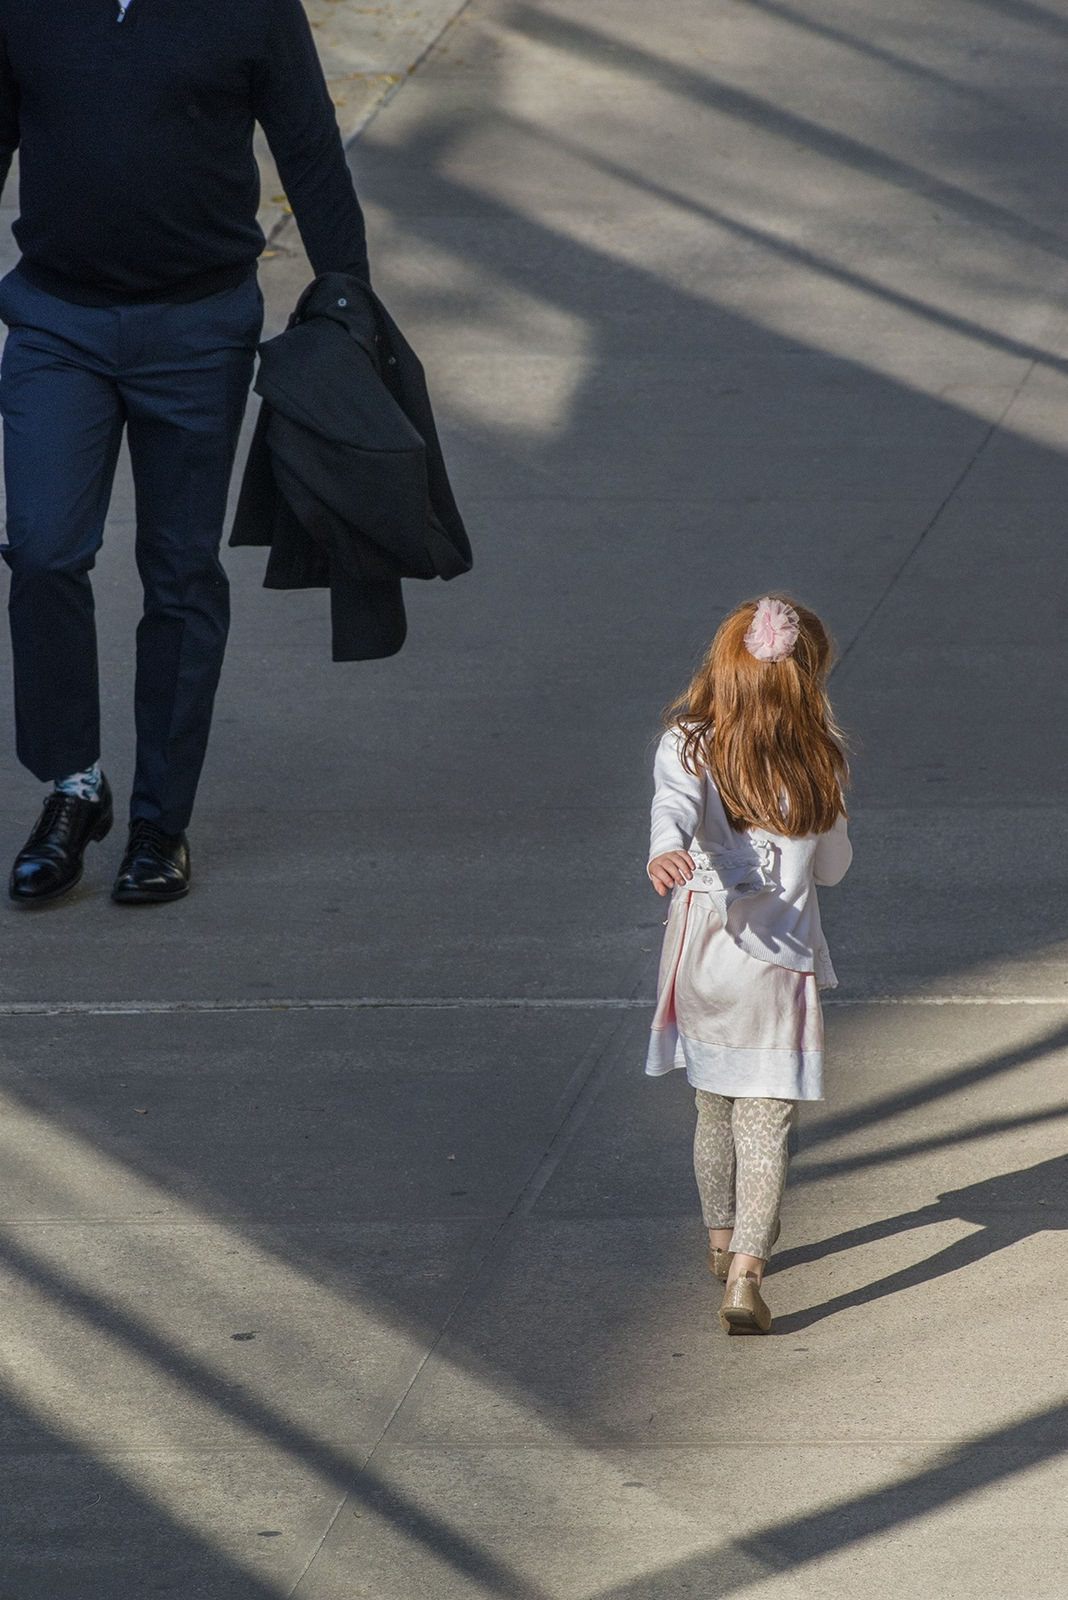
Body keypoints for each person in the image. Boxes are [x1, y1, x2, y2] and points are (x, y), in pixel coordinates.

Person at [0, 0, 371, 904]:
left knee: (177, 570)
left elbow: (310, 149)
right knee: (44, 549)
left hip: (200, 329)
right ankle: (74, 788)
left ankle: (161, 823)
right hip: (57, 321)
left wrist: (352, 307)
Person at [645, 595, 852, 1334]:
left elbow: (671, 806)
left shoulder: (688, 741)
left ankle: (717, 1240)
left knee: (712, 1102)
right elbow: (832, 869)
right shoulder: (817, 756)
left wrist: (666, 848)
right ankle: (746, 1277)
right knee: (765, 1118)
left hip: (703, 952)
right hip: (777, 963)